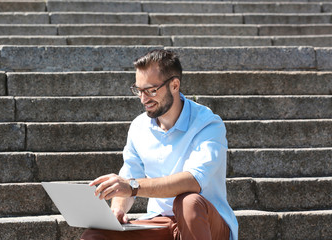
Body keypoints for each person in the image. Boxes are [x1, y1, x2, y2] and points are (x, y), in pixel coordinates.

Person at [81, 49, 238, 240]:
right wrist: (118, 209)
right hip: (160, 222)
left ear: (174, 85)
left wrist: (132, 186)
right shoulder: (139, 126)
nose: (143, 99)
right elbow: (129, 175)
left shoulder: (208, 124)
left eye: (151, 90)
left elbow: (193, 181)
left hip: (207, 223)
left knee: (188, 202)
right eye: (138, 90)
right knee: (94, 235)